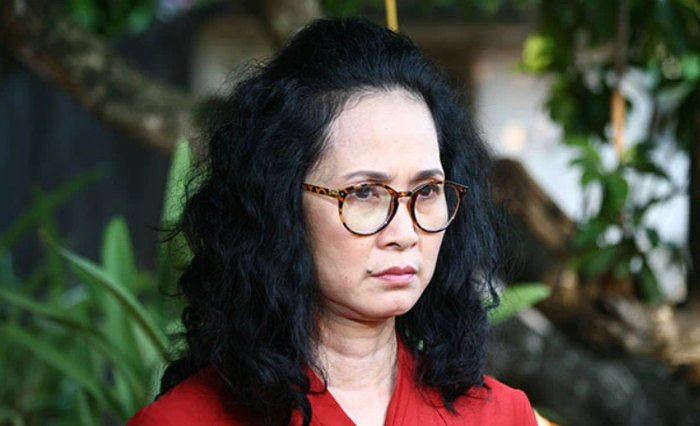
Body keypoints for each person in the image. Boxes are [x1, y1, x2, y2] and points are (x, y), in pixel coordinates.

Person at [128, 16, 538, 426]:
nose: (404, 233)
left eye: (427, 190)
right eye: (364, 193)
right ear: (279, 204)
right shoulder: (181, 421)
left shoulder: (499, 416)